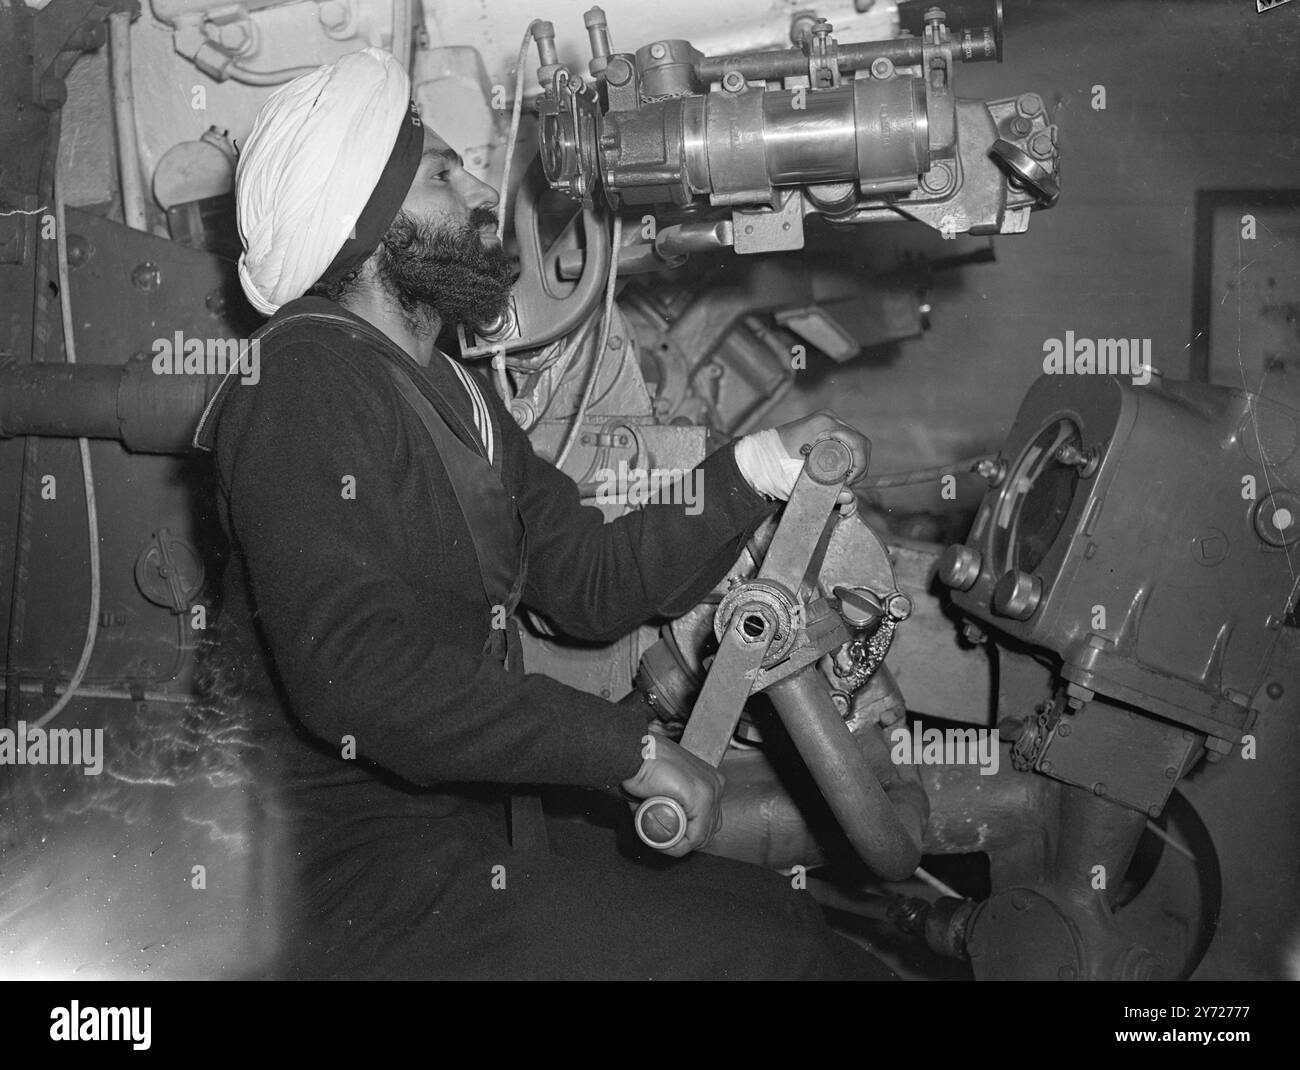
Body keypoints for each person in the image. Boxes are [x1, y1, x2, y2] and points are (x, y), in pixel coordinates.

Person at [195, 47, 893, 980]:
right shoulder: (303, 377)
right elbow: (357, 679)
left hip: (459, 842)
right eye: (442, 174)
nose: (482, 188)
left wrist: (755, 471)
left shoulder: (454, 392)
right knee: (780, 963)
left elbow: (586, 585)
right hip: (343, 884)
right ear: (368, 230)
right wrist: (628, 750)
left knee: (788, 923)